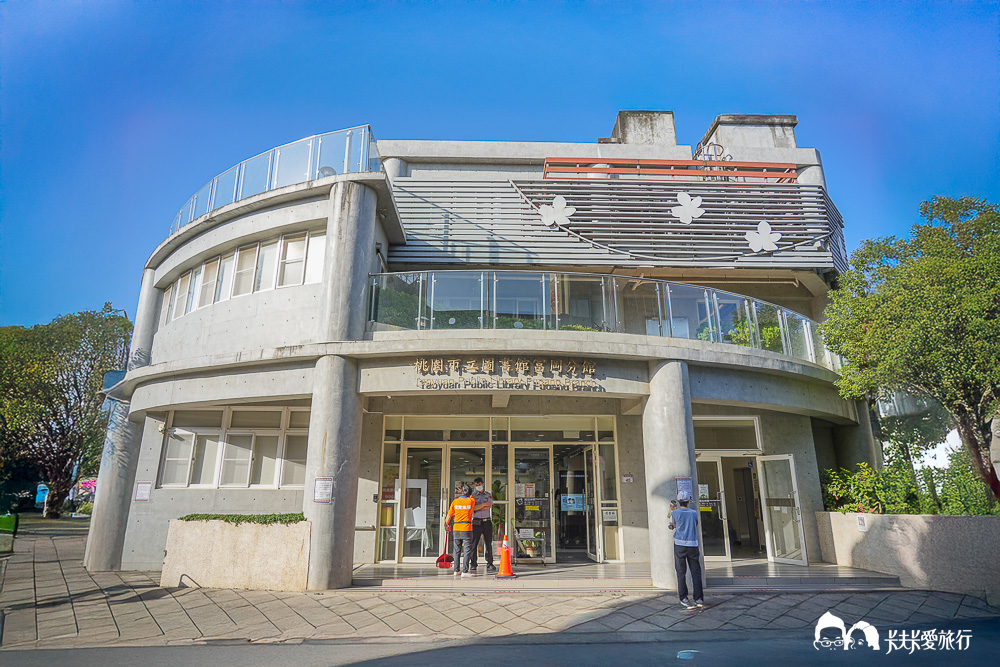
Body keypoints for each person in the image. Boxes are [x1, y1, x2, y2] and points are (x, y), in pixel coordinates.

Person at [668, 490, 704, 608]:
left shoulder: (675, 513)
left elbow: (674, 525)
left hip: (680, 545)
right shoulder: (693, 513)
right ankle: (698, 598)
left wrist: (673, 516)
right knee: (696, 572)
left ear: (678, 501)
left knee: (681, 572)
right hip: (692, 544)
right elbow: (695, 524)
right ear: (689, 501)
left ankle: (684, 598)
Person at [446, 483, 476, 577]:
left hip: (456, 528)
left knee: (457, 550)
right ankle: (465, 571)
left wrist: (446, 525)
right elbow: (472, 497)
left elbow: (449, 515)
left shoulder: (455, 502)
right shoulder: (471, 500)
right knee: (467, 550)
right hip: (466, 528)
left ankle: (456, 570)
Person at [468, 477, 496, 573]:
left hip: (487, 521)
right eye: (476, 485)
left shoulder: (488, 494)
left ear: (483, 484)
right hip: (476, 522)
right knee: (474, 543)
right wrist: (484, 505)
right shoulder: (473, 495)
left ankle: (490, 563)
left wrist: (479, 506)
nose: (478, 487)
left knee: (488, 543)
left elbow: (490, 505)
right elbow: (473, 508)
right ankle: (473, 564)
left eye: (479, 485)